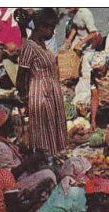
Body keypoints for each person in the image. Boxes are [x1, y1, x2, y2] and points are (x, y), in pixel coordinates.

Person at [17, 11, 67, 155]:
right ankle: (44, 161)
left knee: (51, 128)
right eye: (50, 28)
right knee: (43, 132)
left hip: (50, 93)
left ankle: (51, 160)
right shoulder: (30, 47)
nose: (52, 32)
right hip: (41, 96)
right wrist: (25, 99)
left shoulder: (42, 46)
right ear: (41, 27)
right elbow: (21, 77)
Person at [0, 113, 57, 196]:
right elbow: (7, 177)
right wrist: (29, 161)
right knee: (48, 174)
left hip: (22, 176)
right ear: (1, 127)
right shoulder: (0, 147)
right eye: (8, 124)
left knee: (49, 168)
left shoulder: (1, 141)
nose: (12, 126)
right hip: (13, 186)